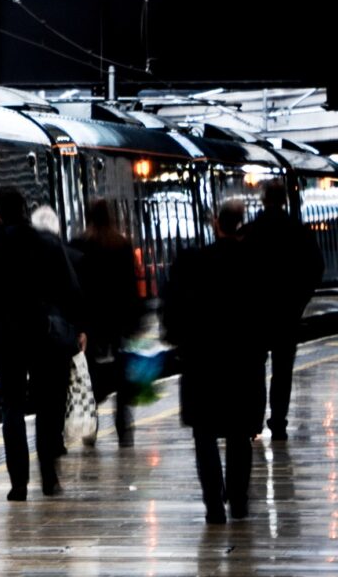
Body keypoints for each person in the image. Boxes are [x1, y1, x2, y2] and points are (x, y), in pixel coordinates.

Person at [0, 186, 85, 500]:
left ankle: (18, 485)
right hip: (45, 336)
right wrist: (78, 328)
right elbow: (71, 292)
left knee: (12, 408)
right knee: (48, 406)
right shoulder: (48, 245)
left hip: (5, 340)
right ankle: (50, 477)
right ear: (24, 209)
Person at [165, 199, 268, 522]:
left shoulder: (192, 262)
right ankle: (238, 502)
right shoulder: (255, 262)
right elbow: (267, 313)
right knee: (240, 434)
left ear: (215, 223)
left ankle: (213, 506)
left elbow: (172, 310)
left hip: (201, 362)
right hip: (244, 362)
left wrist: (179, 340)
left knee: (204, 434)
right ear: (241, 224)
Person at [243, 181, 322, 440]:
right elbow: (315, 268)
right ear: (285, 201)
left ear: (264, 200)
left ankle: (254, 421)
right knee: (283, 370)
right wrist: (300, 300)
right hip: (288, 313)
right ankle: (278, 421)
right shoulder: (299, 232)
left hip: (255, 312)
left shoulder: (249, 233)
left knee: (255, 369)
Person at [72, 198, 144, 450]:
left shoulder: (79, 245)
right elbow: (131, 287)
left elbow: (76, 289)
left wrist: (78, 324)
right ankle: (124, 429)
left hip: (91, 325)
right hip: (119, 322)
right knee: (123, 378)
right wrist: (136, 320)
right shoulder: (122, 245)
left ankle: (90, 429)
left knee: (89, 379)